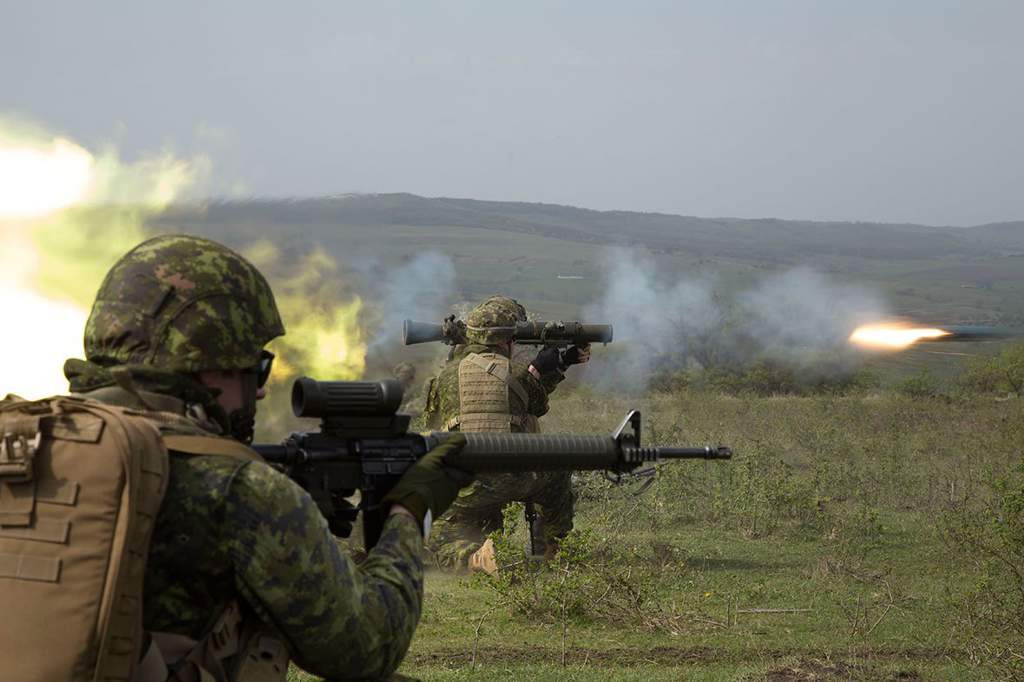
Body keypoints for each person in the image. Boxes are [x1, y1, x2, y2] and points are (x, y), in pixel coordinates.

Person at [0, 235, 469, 681]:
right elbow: (368, 645)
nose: (261, 388)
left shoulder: (22, 446)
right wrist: (408, 513)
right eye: (255, 368)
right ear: (207, 365)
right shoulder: (235, 487)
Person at [421, 295, 590, 572]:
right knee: (557, 472)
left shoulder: (443, 379)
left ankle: (476, 559)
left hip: (466, 486)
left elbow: (432, 426)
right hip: (518, 479)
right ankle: (553, 549)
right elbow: (536, 404)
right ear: (508, 342)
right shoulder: (520, 374)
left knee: (439, 537)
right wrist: (557, 365)